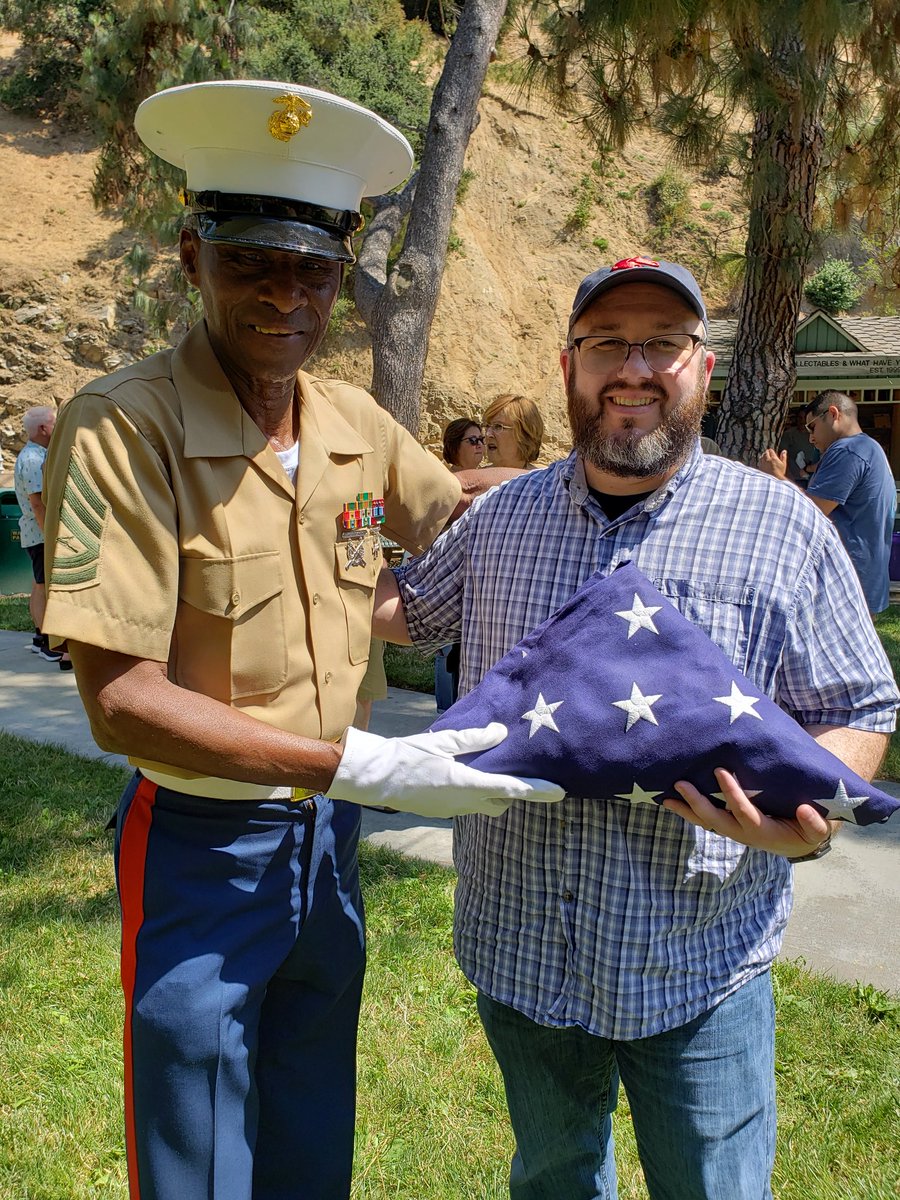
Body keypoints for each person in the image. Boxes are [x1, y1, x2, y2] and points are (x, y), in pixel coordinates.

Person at [40, 79, 562, 1200]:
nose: (286, 296)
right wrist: (360, 765)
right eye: (251, 263)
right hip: (199, 841)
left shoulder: (350, 422)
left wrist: (597, 485)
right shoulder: (127, 425)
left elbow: (461, 505)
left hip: (326, 848)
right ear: (192, 257)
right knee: (196, 1145)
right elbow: (120, 698)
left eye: (313, 269)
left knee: (312, 1120)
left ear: (343, 274)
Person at [374, 256, 898, 1199]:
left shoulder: (782, 526)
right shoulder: (501, 521)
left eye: (664, 342)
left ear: (704, 366)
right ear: (568, 364)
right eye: (608, 343)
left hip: (698, 963)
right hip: (521, 951)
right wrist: (306, 510)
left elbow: (858, 706)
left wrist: (804, 821)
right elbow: (397, 610)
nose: (634, 368)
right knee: (554, 1179)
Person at [760, 390, 896, 614]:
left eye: (811, 427)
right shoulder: (871, 448)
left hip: (844, 581)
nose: (811, 438)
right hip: (865, 577)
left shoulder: (848, 450)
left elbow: (812, 510)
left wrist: (777, 478)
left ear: (833, 414)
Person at [13, 405, 71, 669]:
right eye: (54, 423)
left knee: (39, 585)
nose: (57, 427)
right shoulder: (35, 459)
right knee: (46, 587)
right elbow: (38, 503)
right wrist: (53, 536)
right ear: (44, 429)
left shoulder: (31, 455)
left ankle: (40, 637)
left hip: (33, 532)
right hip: (41, 533)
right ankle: (49, 642)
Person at [483, 393, 544, 469]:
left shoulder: (542, 480)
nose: (488, 434)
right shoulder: (474, 479)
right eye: (487, 426)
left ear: (524, 435)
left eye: (498, 426)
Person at [776, 407, 819, 486]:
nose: (802, 421)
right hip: (795, 478)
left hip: (813, 477)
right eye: (800, 418)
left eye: (804, 418)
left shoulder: (814, 434)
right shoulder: (789, 434)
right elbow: (782, 453)